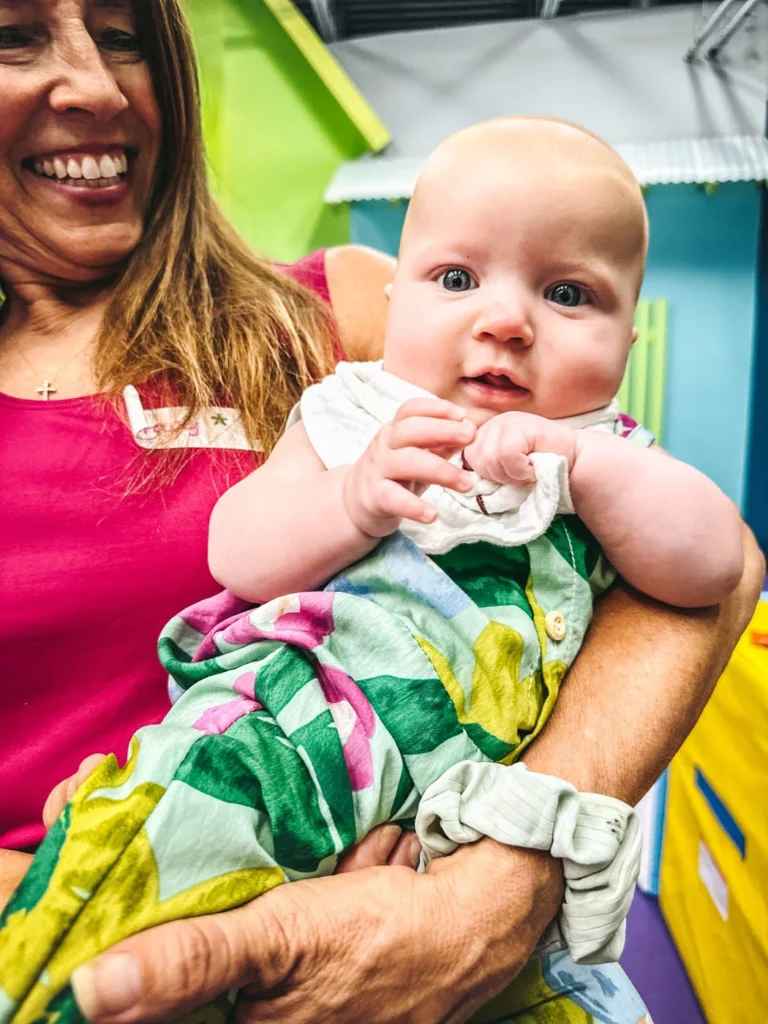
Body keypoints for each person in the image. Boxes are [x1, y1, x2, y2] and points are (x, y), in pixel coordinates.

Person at [0, 2, 762, 1022]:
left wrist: (497, 877)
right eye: (12, 34)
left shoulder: (347, 320)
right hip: (177, 846)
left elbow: (720, 566)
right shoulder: (359, 412)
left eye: (126, 35)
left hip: (455, 848)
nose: (503, 321)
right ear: (415, 295)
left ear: (627, 347)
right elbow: (245, 546)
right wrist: (354, 496)